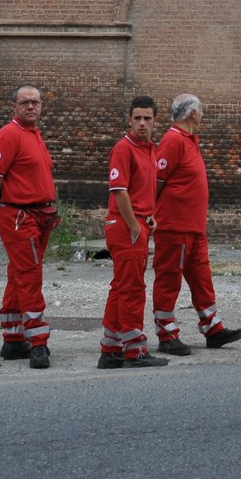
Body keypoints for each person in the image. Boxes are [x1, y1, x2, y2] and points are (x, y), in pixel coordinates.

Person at [151, 93, 241, 354]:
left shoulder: (189, 140)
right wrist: (154, 215)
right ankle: (166, 334)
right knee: (169, 279)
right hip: (175, 226)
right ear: (192, 114)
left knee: (202, 278)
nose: (203, 115)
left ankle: (213, 328)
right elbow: (156, 182)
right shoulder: (173, 140)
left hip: (193, 227)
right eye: (201, 110)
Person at [0, 84, 59, 370]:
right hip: (20, 218)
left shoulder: (34, 135)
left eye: (35, 102)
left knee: (18, 274)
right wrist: (0, 205)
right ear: (14, 105)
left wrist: (1, 202)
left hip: (38, 213)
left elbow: (20, 177)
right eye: (25, 102)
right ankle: (38, 342)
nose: (31, 107)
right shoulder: (9, 134)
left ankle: (13, 340)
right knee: (29, 274)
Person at [98, 96, 168, 369]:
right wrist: (134, 226)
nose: (142, 123)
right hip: (125, 226)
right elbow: (119, 191)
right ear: (129, 120)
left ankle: (111, 349)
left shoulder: (149, 149)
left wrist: (148, 217)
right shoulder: (123, 148)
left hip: (137, 222)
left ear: (154, 121)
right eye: (137, 118)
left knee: (120, 287)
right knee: (133, 289)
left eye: (147, 119)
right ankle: (134, 350)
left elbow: (141, 190)